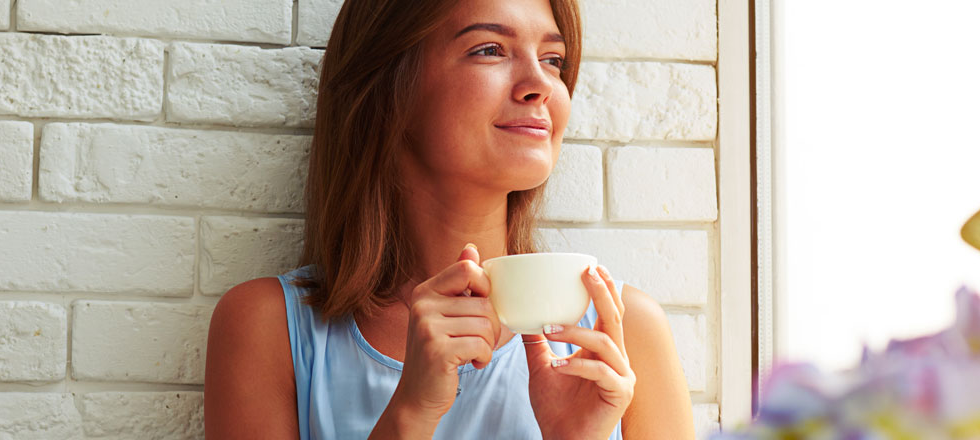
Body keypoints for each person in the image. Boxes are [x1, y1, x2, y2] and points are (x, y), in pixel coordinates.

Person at [202, 0, 696, 438]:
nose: (541, 85)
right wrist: (411, 412)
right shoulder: (266, 328)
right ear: (391, 86)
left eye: (553, 60)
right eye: (490, 50)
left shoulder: (628, 334)